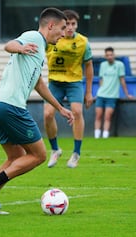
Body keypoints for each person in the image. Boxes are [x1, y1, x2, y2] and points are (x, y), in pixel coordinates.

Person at [0, 7, 74, 215]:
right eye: (63, 28)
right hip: (11, 105)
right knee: (39, 155)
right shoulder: (34, 37)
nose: (64, 33)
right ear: (51, 25)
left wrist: (60, 108)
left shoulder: (41, 52)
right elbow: (9, 45)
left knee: (15, 156)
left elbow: (39, 85)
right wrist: (19, 48)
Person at [44, 9, 94, 168]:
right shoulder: (52, 39)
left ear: (77, 25)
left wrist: (88, 92)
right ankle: (55, 150)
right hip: (55, 83)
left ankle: (76, 153)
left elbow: (89, 67)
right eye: (68, 25)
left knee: (77, 112)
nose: (70, 27)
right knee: (47, 114)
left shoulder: (83, 42)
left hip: (74, 83)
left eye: (74, 24)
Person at [94, 47, 133, 138]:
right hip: (101, 95)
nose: (109, 57)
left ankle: (105, 137)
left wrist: (127, 94)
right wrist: (97, 93)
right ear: (105, 56)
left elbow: (122, 80)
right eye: (107, 55)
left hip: (112, 96)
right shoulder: (103, 65)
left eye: (111, 55)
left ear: (114, 55)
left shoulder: (120, 65)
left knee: (108, 116)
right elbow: (101, 80)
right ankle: (96, 137)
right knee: (98, 116)